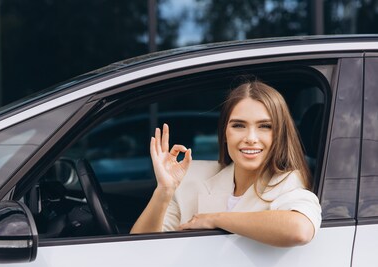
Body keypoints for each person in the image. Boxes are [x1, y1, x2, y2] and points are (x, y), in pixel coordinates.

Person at [130, 81, 321, 247]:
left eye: (265, 126)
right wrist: (164, 191)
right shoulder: (192, 176)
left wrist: (214, 219)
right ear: (225, 134)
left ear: (278, 135)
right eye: (238, 126)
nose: (251, 138)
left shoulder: (288, 182)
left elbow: (300, 230)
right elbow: (140, 248)